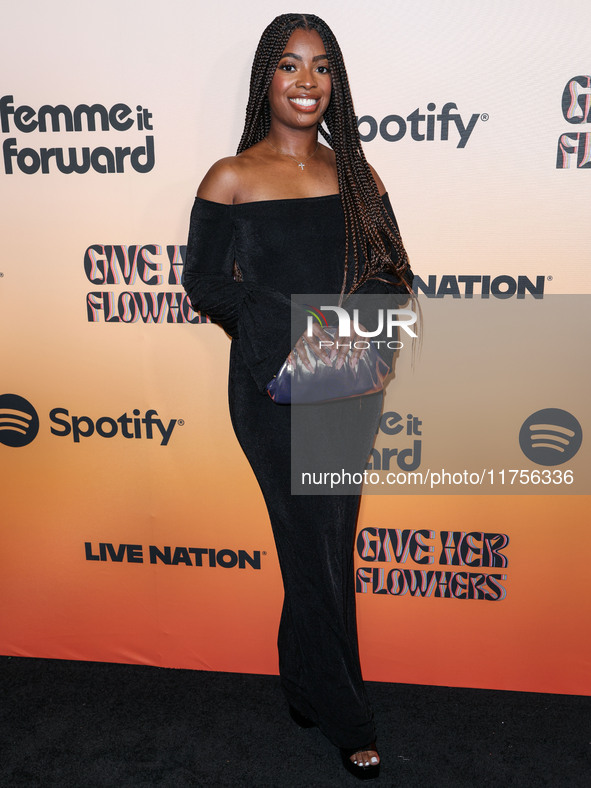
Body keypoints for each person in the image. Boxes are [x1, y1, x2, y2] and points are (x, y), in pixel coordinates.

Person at [183, 13, 413, 780]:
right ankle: (350, 717)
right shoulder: (232, 176)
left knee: (325, 549)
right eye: (289, 65)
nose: (306, 80)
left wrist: (349, 331)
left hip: (347, 378)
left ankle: (301, 686)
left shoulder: (359, 176)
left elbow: (394, 271)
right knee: (312, 554)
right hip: (273, 387)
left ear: (334, 82)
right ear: (266, 81)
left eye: (320, 66)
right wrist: (289, 326)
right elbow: (206, 284)